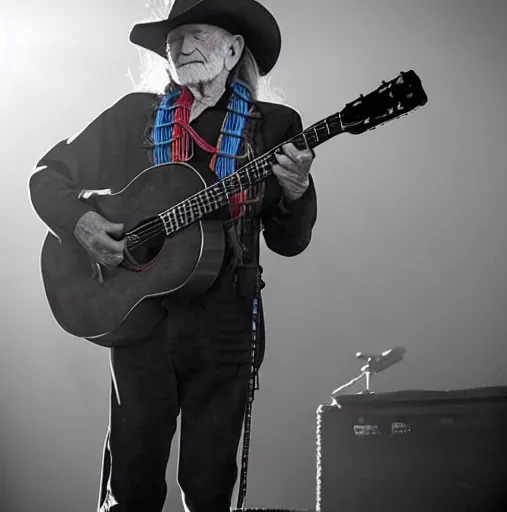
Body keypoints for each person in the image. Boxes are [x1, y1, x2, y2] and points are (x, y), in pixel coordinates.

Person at [29, 0, 317, 510]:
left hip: (226, 319)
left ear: (233, 50)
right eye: (173, 40)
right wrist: (83, 222)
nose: (181, 47)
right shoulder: (133, 116)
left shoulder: (274, 126)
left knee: (209, 488)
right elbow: (47, 177)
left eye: (196, 35)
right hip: (141, 317)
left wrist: (296, 193)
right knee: (132, 484)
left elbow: (288, 243)